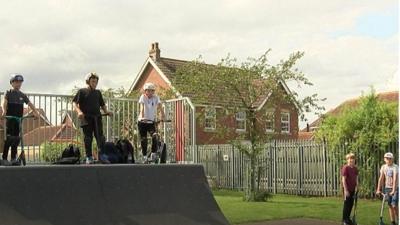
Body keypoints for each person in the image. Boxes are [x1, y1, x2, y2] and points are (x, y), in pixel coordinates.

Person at [72, 72, 112, 164]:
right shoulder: (82, 91)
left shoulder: (98, 93)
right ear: (88, 81)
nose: (95, 83)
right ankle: (89, 157)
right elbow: (74, 103)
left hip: (97, 118)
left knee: (100, 138)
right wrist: (79, 112)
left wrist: (106, 112)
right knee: (88, 138)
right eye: (93, 81)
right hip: (86, 118)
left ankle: (101, 156)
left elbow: (102, 104)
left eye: (96, 82)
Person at [1, 74, 39, 165]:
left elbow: (30, 104)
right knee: (9, 138)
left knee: (17, 138)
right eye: (16, 82)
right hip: (10, 119)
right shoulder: (8, 93)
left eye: (20, 82)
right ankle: (4, 158)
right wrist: (4, 111)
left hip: (18, 120)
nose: (18, 84)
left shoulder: (22, 95)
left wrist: (36, 112)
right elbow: (4, 103)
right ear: (12, 83)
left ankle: (13, 158)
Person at [137, 82, 165, 161]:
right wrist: (143, 116)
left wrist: (163, 116)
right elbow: (142, 107)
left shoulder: (156, 97)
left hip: (150, 122)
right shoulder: (143, 97)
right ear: (145, 91)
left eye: (152, 91)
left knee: (155, 136)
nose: (150, 93)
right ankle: (144, 155)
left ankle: (153, 154)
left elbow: (160, 106)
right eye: (148, 91)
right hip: (142, 122)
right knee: (144, 139)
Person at [376, 152, 398, 225]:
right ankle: (393, 222)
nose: (388, 160)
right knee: (390, 205)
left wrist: (394, 190)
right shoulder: (383, 167)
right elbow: (381, 178)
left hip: (395, 188)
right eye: (387, 158)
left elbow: (395, 179)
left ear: (392, 159)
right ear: (384, 159)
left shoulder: (395, 167)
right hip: (387, 188)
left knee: (394, 205)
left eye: (390, 159)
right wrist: (378, 189)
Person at [341, 153, 358, 225]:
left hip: (353, 189)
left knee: (351, 204)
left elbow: (356, 178)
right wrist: (346, 190)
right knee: (347, 204)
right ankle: (344, 220)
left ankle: (348, 218)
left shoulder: (355, 168)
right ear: (347, 160)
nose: (351, 160)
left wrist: (357, 186)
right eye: (350, 159)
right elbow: (343, 180)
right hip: (347, 189)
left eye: (352, 158)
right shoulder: (345, 168)